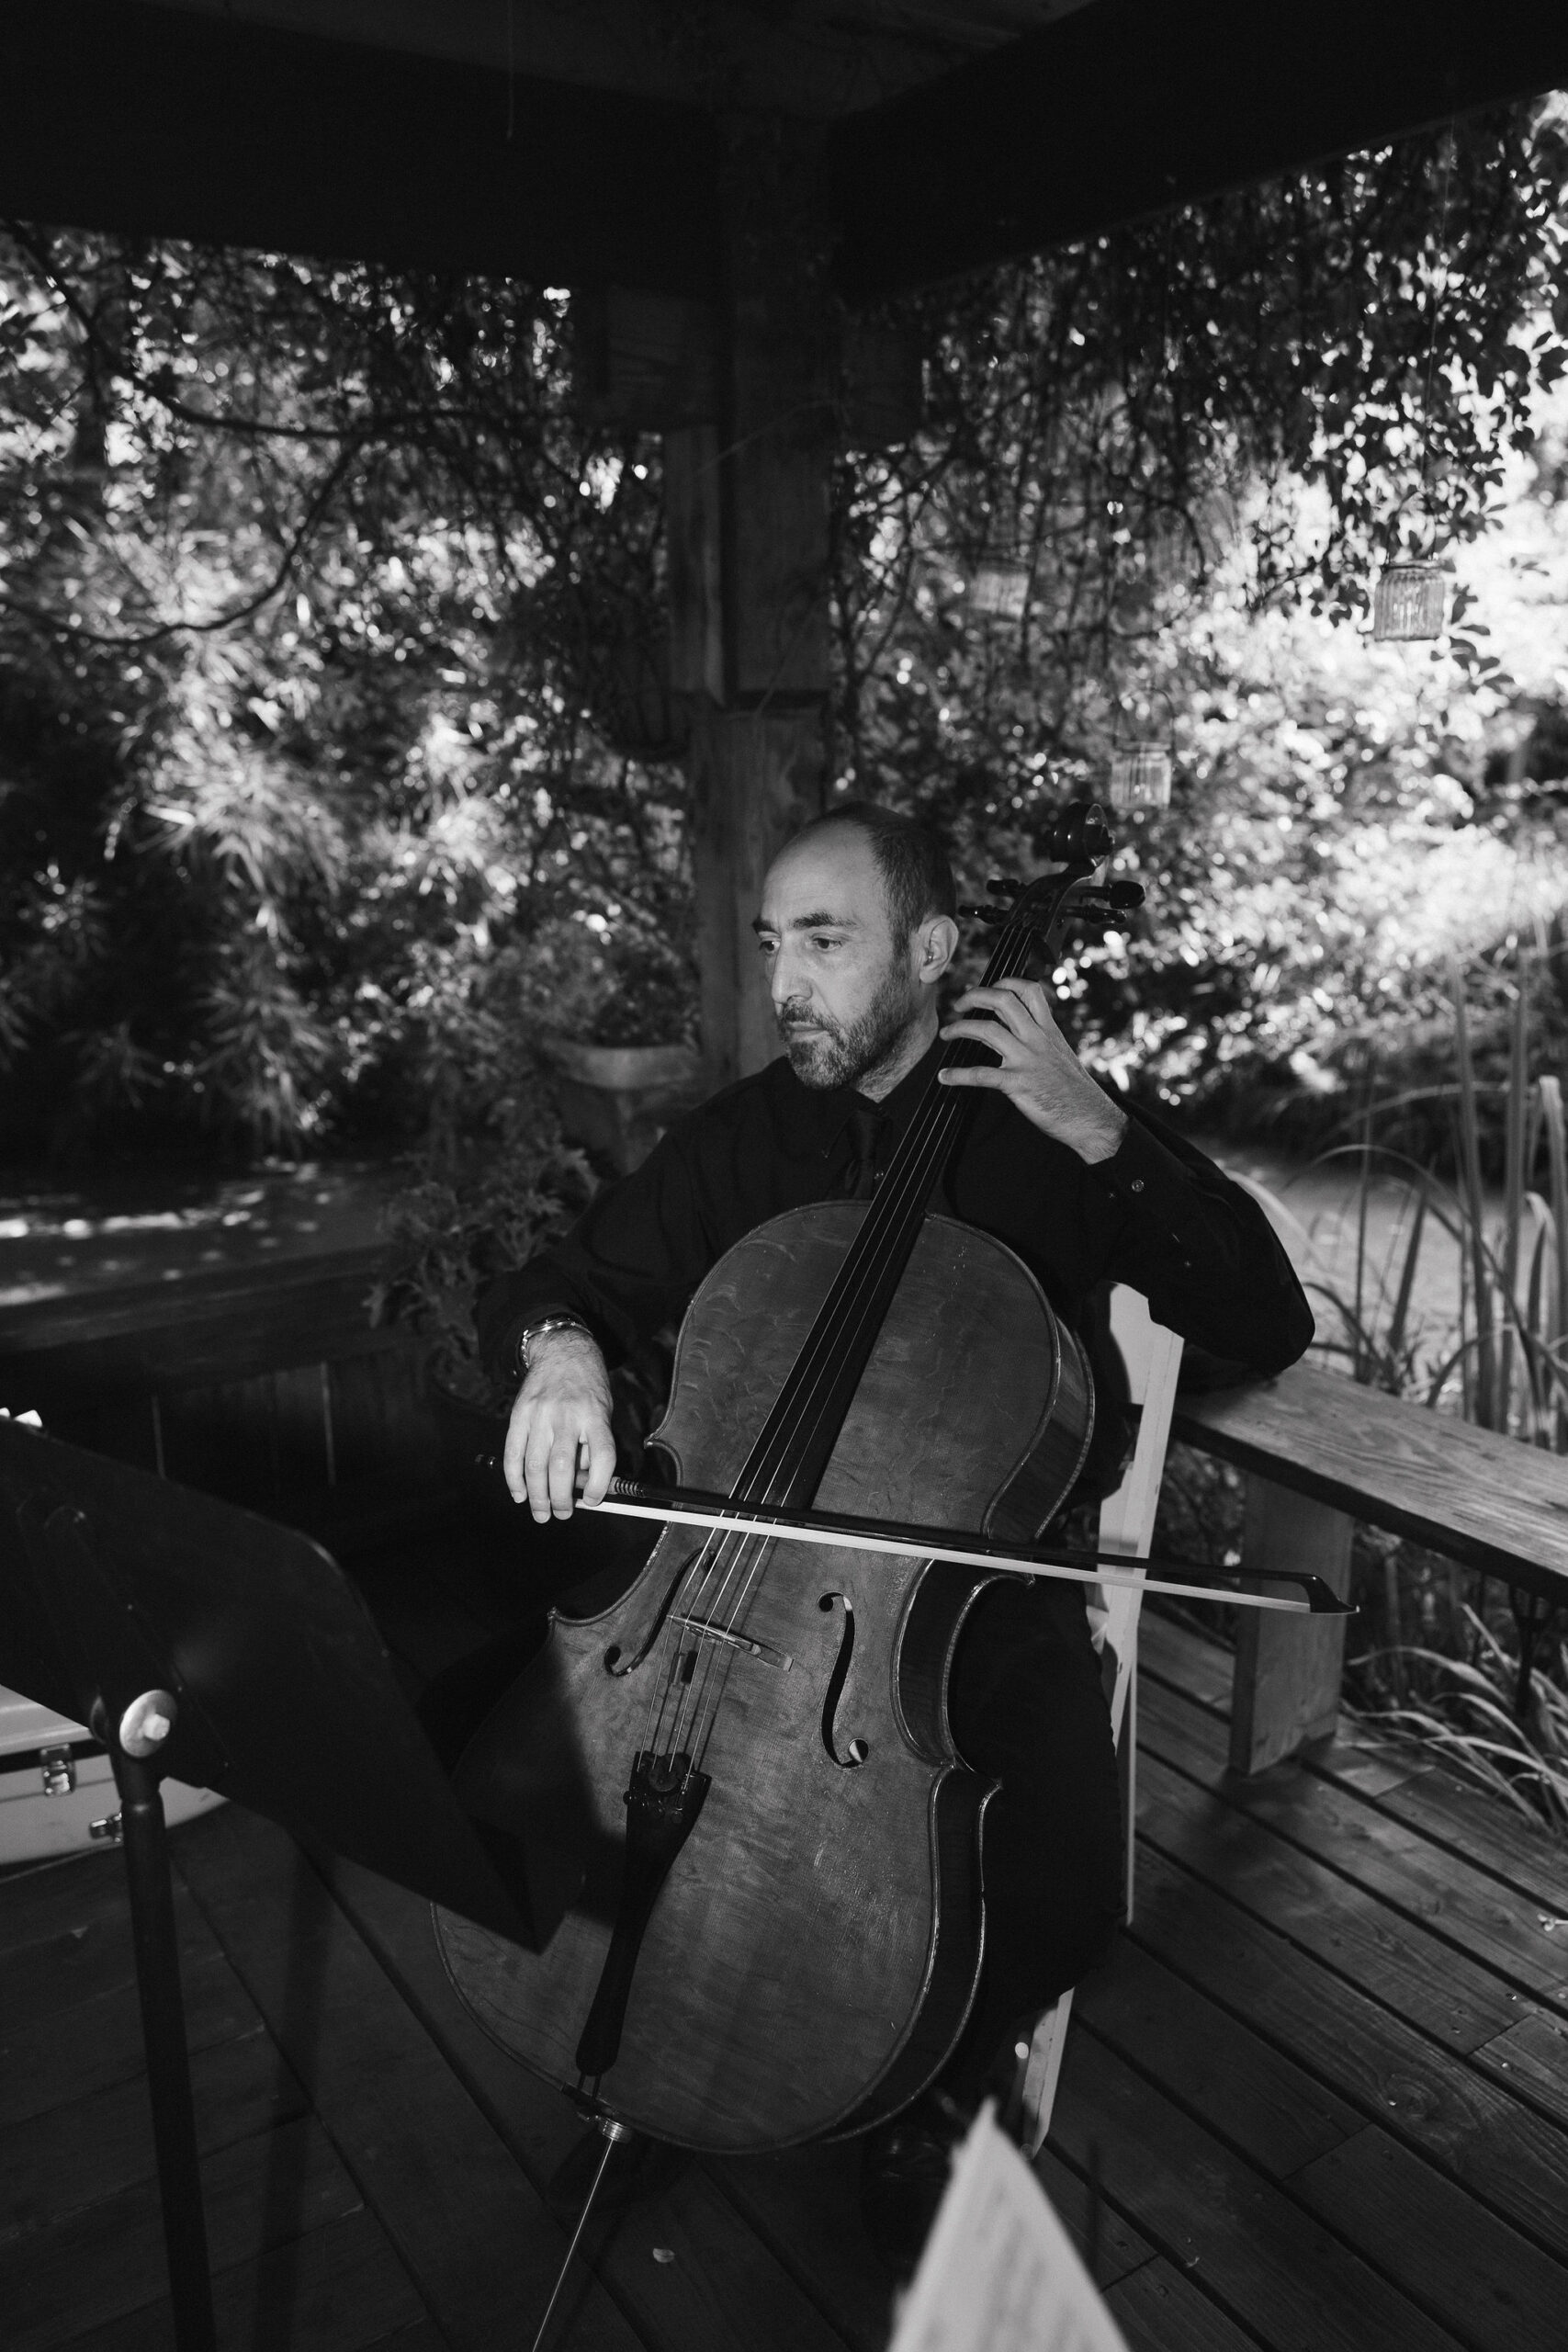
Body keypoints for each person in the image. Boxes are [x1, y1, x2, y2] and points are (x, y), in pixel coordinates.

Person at [475, 801, 1314, 2264]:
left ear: (932, 951)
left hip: (968, 1600)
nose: (783, 982)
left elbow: (1263, 1320)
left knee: (1032, 1831)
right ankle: (653, 2075)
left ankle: (929, 2093)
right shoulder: (756, 1134)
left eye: (823, 940)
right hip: (733, 1561)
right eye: (770, 943)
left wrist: (1105, 1131)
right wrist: (558, 1352)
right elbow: (572, 1276)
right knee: (612, 1762)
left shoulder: (1052, 1121)